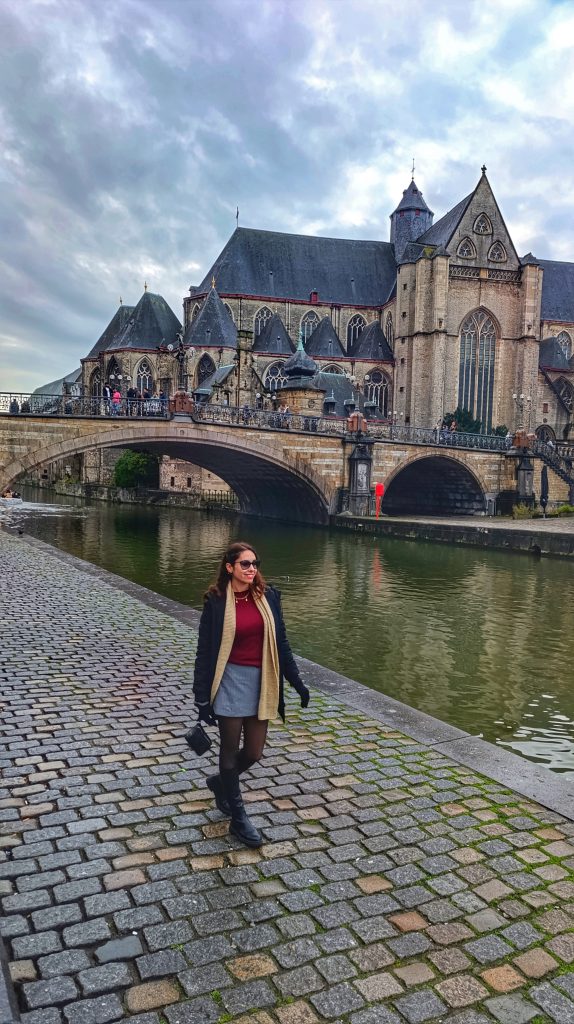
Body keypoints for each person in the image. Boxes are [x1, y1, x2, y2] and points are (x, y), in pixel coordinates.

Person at [193, 541, 310, 848]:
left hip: (262, 681)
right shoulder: (216, 601)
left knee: (255, 751)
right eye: (245, 564)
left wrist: (296, 681)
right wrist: (201, 697)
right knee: (229, 751)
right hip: (229, 679)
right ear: (229, 567)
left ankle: (220, 783)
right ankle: (239, 818)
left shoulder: (268, 597)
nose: (252, 569)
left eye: (255, 563)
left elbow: (281, 642)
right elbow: (205, 652)